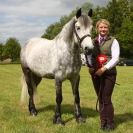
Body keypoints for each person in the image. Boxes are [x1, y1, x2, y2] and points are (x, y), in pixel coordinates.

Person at [85, 19, 120, 130]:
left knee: (106, 98)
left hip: (109, 73)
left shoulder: (113, 41)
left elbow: (115, 58)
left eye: (105, 27)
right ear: (97, 29)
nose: (103, 29)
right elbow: (88, 56)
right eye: (101, 27)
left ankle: (110, 123)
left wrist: (104, 68)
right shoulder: (92, 41)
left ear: (108, 29)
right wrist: (90, 67)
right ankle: (103, 123)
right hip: (96, 74)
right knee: (100, 98)